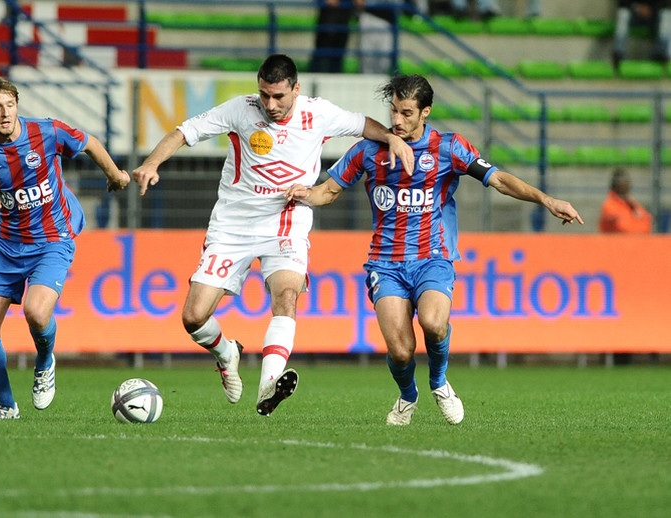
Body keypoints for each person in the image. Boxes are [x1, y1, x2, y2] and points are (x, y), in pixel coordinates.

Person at [285, 74, 583, 425]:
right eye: (394, 110)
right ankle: (408, 396)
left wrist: (546, 200)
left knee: (433, 322)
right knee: (400, 349)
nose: (396, 120)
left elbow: (499, 179)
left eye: (407, 113)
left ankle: (439, 382)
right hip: (386, 263)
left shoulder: (448, 147)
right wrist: (304, 193)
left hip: (433, 258)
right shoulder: (369, 150)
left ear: (425, 112)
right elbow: (329, 191)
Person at [132, 54, 414, 417]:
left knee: (286, 294)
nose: (270, 104)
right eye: (264, 95)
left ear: (296, 89)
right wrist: (152, 163)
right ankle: (227, 353)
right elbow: (183, 133)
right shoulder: (240, 109)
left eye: (279, 96)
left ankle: (269, 383)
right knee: (193, 317)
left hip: (286, 219)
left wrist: (394, 140)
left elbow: (363, 125)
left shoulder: (319, 113)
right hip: (232, 225)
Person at [0, 73, 131, 420]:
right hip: (6, 244)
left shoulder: (46, 131)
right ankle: (6, 405)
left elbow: (89, 142)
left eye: (10, 105)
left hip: (52, 239)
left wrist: (114, 175)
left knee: (36, 312)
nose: (5, 113)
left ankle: (45, 359)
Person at [612, 1, 670, 67]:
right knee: (623, 13)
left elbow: (664, 3)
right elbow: (623, 3)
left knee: (666, 14)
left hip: (654, 14)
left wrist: (651, 9)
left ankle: (660, 54)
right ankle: (618, 54)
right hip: (634, 13)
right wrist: (638, 8)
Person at [309, 0, 358, 74]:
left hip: (341, 22)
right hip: (327, 22)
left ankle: (333, 76)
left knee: (336, 59)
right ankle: (315, 75)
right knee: (319, 57)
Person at [599, 168, 652, 233]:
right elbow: (624, 228)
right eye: (621, 181)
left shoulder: (633, 204)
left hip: (636, 240)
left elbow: (647, 223)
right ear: (615, 185)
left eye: (626, 181)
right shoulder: (609, 205)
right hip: (616, 242)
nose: (625, 184)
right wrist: (637, 221)